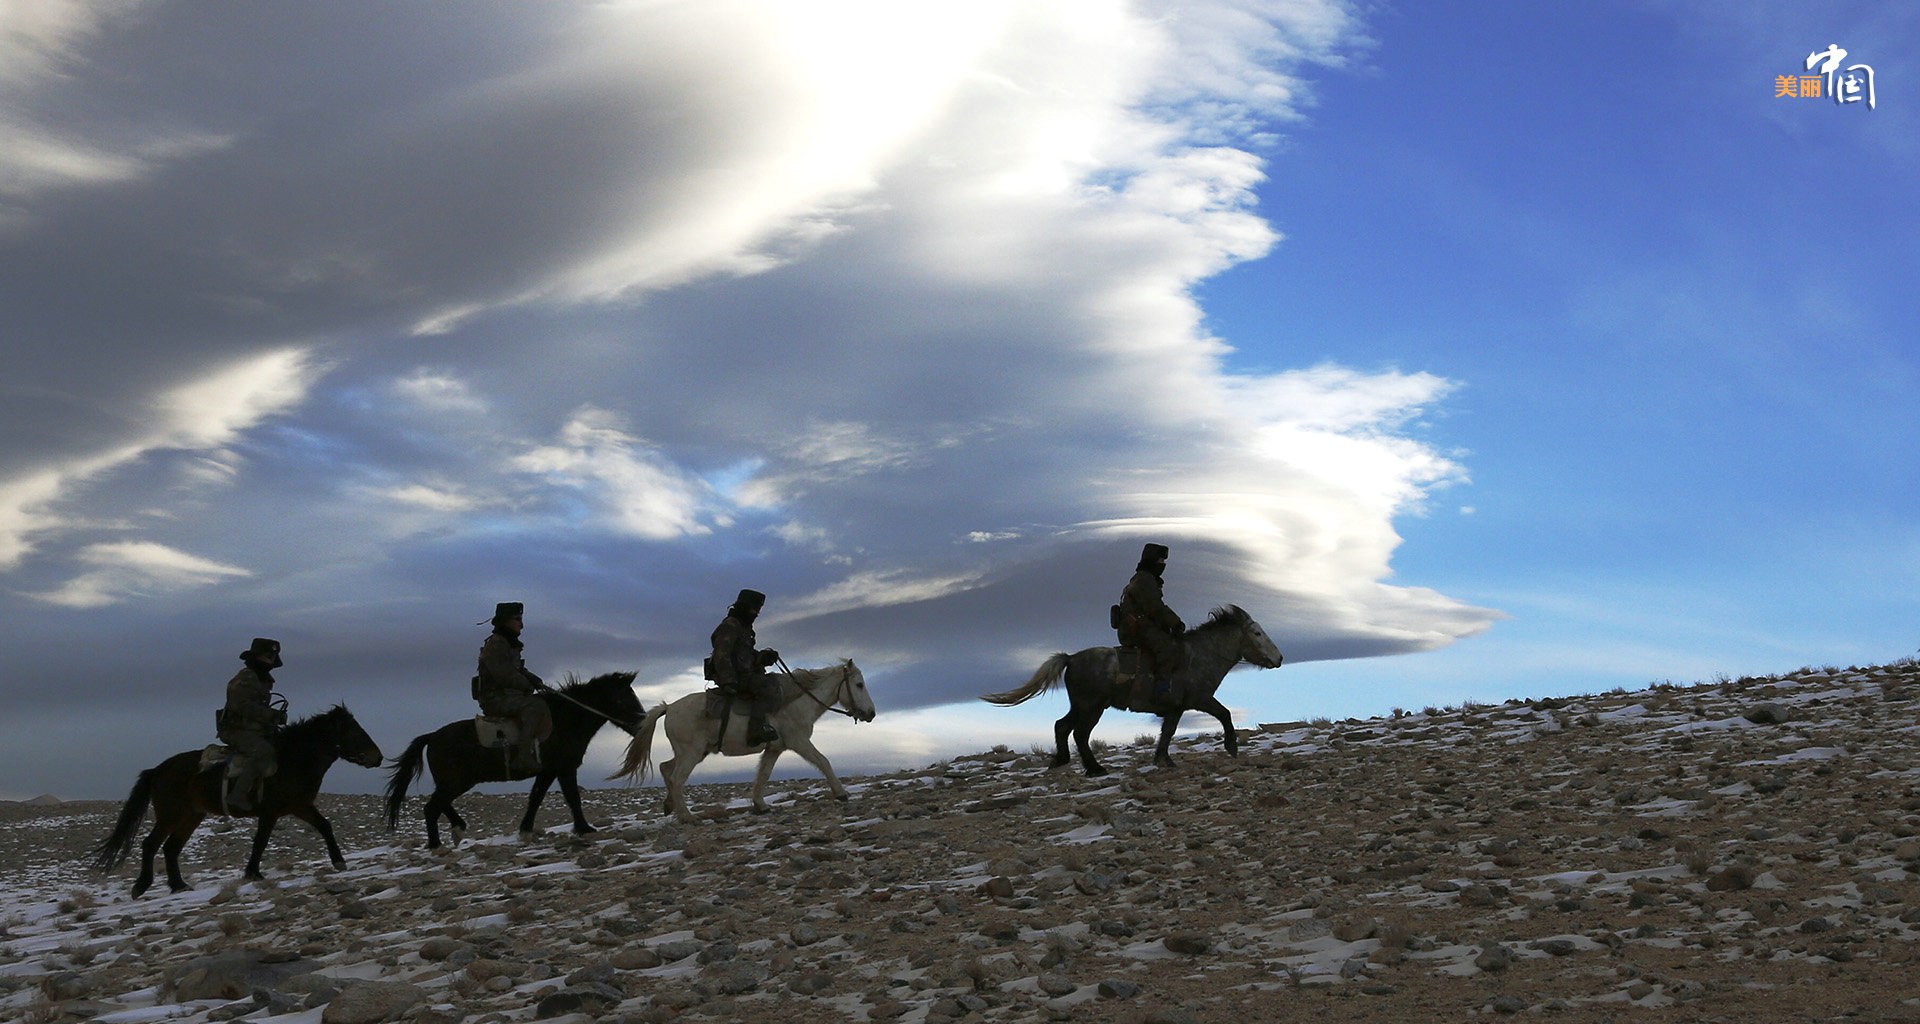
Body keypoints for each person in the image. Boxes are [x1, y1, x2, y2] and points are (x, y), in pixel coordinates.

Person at [475, 601, 553, 773]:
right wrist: (527, 685)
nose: (521, 624)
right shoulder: (496, 644)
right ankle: (523, 757)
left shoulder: (507, 643)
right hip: (496, 699)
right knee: (535, 705)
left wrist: (535, 680)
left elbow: (517, 670)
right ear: (505, 620)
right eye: (517, 619)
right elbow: (504, 674)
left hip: (507, 696)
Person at [217, 637, 286, 814]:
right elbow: (241, 706)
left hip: (255, 728)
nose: (270, 660)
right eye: (267, 656)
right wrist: (271, 715)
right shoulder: (243, 679)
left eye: (272, 657)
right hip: (235, 730)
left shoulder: (262, 679)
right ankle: (237, 795)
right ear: (256, 657)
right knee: (262, 750)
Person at [709, 589, 782, 745]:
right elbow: (722, 654)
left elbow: (745, 655)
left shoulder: (744, 628)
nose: (756, 613)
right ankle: (755, 731)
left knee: (776, 681)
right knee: (767, 688)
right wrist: (728, 680)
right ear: (744, 606)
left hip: (743, 674)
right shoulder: (730, 626)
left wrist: (763, 657)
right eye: (754, 608)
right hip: (736, 677)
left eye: (758, 610)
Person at [1117, 542, 1186, 706]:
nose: (1162, 565)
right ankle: (1161, 690)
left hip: (1138, 626)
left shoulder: (1143, 578)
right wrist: (1175, 622)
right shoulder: (1144, 580)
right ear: (1151, 561)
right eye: (1160, 561)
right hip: (1137, 628)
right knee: (1168, 647)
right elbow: (1155, 607)